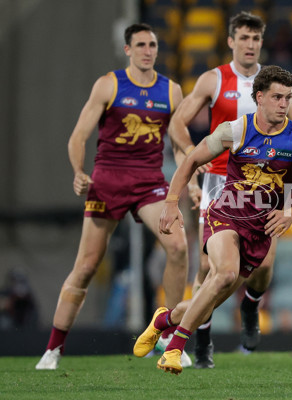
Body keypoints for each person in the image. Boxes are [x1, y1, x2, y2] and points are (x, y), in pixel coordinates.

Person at [133, 65, 292, 375]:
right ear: (260, 98)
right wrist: (171, 203)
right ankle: (175, 347)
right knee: (223, 274)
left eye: (288, 98)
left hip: (259, 230)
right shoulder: (235, 130)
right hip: (224, 214)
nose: (283, 104)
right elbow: (193, 160)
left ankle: (164, 320)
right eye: (277, 97)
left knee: (210, 299)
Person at [35, 23, 195, 370]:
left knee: (179, 247)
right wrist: (79, 172)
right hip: (107, 180)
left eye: (152, 44)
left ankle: (168, 334)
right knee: (87, 267)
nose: (148, 50)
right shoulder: (109, 85)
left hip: (149, 183)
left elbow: (183, 145)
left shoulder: (171, 91)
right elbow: (78, 137)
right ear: (128, 50)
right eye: (140, 45)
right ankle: (53, 349)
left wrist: (186, 182)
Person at [166, 11, 292, 368]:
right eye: (244, 38)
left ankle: (251, 304)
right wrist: (191, 166)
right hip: (219, 183)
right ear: (231, 41)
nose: (250, 45)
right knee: (209, 270)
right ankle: (203, 343)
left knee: (264, 266)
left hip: (261, 189)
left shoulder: (276, 87)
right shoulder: (214, 80)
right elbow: (178, 123)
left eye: (256, 39)